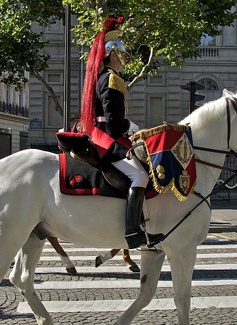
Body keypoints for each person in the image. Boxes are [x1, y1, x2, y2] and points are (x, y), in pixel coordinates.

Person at [80, 17, 163, 249]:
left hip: (105, 135)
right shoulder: (111, 79)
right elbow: (115, 123)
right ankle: (132, 232)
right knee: (141, 177)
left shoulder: (103, 78)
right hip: (107, 140)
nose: (125, 60)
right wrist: (135, 129)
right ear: (113, 55)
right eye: (124, 55)